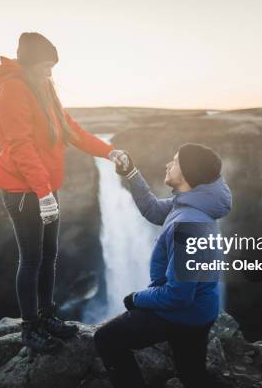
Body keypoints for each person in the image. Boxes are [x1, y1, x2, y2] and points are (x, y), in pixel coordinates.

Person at [0, 32, 129, 353]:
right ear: (29, 63)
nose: (51, 72)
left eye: (53, 66)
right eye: (46, 65)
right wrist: (42, 193)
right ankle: (30, 328)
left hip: (44, 189)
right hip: (24, 191)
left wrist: (109, 152)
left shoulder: (44, 90)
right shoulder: (13, 91)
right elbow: (20, 147)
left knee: (49, 257)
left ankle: (46, 315)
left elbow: (73, 131)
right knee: (31, 259)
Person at [94, 143, 232, 388]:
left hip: (182, 313)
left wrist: (136, 298)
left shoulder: (189, 225)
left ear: (189, 173)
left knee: (106, 338)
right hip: (202, 309)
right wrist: (132, 174)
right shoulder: (191, 204)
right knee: (192, 375)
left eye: (176, 161)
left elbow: (177, 296)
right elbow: (154, 210)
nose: (168, 164)